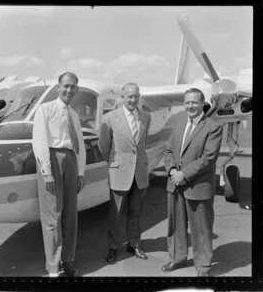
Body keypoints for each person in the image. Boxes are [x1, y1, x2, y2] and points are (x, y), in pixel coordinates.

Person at [162, 88, 223, 277]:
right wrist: (172, 170)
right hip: (175, 184)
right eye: (187, 102)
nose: (190, 106)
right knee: (176, 226)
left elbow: (208, 158)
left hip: (197, 186)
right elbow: (169, 151)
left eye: (194, 102)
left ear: (202, 103)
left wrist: (184, 175)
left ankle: (203, 266)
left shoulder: (213, 127)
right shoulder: (180, 123)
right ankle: (177, 258)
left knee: (201, 228)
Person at [32, 72, 86, 277]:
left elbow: (79, 145)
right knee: (53, 216)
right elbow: (39, 142)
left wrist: (81, 172)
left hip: (70, 160)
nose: (69, 90)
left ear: (76, 90)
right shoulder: (45, 110)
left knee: (71, 215)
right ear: (58, 87)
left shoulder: (74, 114)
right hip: (52, 161)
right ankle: (54, 267)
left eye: (73, 87)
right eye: (65, 86)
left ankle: (68, 260)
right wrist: (47, 173)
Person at [98, 82, 151, 264]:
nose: (133, 100)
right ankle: (113, 247)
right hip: (119, 172)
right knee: (116, 213)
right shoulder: (110, 118)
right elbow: (104, 146)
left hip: (140, 172)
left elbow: (142, 144)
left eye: (136, 96)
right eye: (129, 96)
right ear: (122, 97)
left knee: (136, 212)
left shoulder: (146, 117)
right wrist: (116, 163)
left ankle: (133, 244)